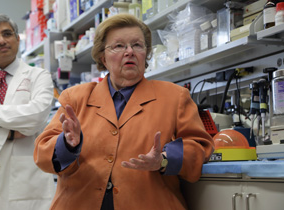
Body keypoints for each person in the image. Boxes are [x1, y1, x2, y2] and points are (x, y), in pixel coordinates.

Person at [34, 13, 214, 210]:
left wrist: (163, 160)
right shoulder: (75, 99)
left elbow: (199, 147)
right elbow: (42, 153)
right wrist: (67, 145)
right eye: (119, 46)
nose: (129, 51)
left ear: (146, 54)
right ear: (103, 56)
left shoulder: (175, 97)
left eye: (137, 45)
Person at [0, 14, 55, 210]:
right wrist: (8, 134)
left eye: (7, 34)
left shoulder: (39, 76)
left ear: (17, 39)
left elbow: (35, 116)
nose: (1, 40)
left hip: (27, 183)